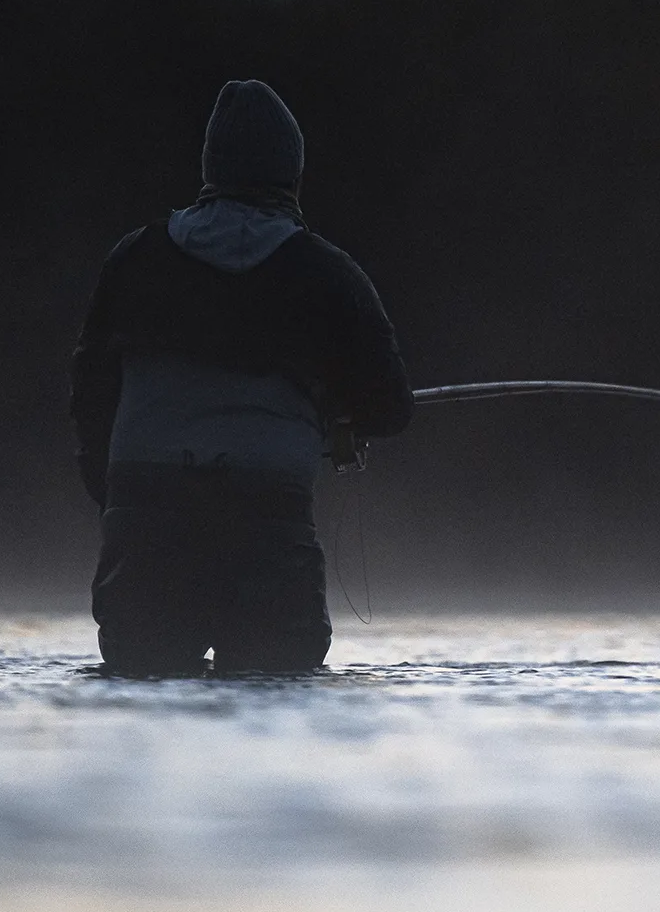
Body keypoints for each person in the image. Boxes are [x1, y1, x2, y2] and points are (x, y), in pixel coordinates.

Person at [70, 79, 413, 675]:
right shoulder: (329, 275)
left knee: (143, 686)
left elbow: (89, 398)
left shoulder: (133, 260)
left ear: (211, 167)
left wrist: (117, 503)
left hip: (143, 528)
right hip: (267, 531)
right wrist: (336, 419)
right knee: (274, 684)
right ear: (292, 175)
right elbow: (391, 408)